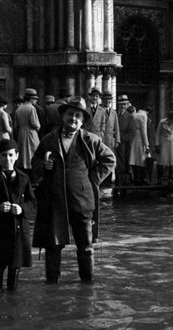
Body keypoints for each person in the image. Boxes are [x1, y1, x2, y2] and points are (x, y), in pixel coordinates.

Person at [31, 96, 116, 284]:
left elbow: (110, 159)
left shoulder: (91, 140)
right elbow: (34, 163)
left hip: (82, 200)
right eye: (70, 114)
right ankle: (52, 285)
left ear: (83, 120)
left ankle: (87, 284)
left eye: (78, 116)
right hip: (55, 199)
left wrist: (92, 179)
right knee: (53, 245)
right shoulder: (49, 139)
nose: (74, 119)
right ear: (63, 116)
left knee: (85, 246)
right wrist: (44, 166)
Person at [0, 139, 36, 291]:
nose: (7, 159)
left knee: (15, 264)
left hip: (18, 228)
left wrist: (21, 209)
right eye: (4, 155)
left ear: (17, 156)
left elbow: (32, 203)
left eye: (11, 155)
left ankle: (13, 297)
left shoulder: (23, 178)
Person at [15, 88, 41, 175]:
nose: (36, 101)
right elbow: (35, 124)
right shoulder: (32, 108)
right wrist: (38, 128)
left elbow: (16, 125)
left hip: (21, 133)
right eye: (35, 99)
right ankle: (32, 176)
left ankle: (23, 173)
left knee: (22, 155)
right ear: (31, 99)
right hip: (31, 133)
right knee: (32, 153)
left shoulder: (19, 109)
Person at [154, 111, 173, 183]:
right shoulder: (162, 122)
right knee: (161, 160)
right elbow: (157, 133)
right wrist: (157, 144)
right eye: (171, 120)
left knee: (172, 161)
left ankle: (170, 177)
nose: (172, 121)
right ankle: (160, 178)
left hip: (172, 142)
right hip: (163, 141)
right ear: (168, 118)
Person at [115, 94, 134, 188]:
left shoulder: (130, 117)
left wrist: (121, 137)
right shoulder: (115, 114)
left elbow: (131, 133)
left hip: (124, 144)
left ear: (127, 105)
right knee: (116, 162)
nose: (122, 106)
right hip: (115, 142)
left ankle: (123, 182)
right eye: (121, 104)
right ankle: (118, 181)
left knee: (123, 163)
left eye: (124, 104)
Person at [129, 105, 151, 185]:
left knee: (134, 159)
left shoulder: (135, 114)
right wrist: (147, 145)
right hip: (140, 139)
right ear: (147, 112)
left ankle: (136, 178)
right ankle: (141, 179)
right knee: (142, 160)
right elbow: (144, 131)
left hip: (134, 138)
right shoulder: (143, 116)